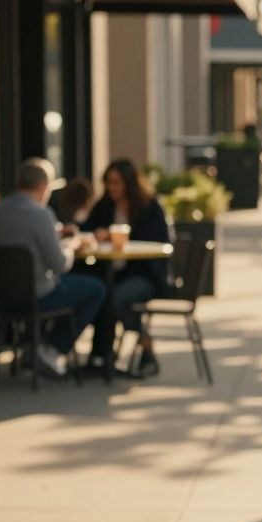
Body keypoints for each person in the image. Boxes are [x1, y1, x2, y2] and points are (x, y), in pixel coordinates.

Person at [0, 158, 105, 376]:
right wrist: (71, 244)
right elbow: (60, 264)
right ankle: (52, 349)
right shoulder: (41, 214)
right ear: (42, 186)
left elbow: (18, 238)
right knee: (96, 288)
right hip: (37, 296)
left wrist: (55, 235)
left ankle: (34, 347)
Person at [82, 158, 173, 376]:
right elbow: (86, 229)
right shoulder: (105, 205)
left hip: (145, 275)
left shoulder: (148, 207)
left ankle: (140, 347)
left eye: (116, 183)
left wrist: (125, 236)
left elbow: (158, 243)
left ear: (129, 183)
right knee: (100, 293)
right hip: (112, 273)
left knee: (114, 299)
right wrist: (96, 234)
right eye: (109, 183)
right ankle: (102, 356)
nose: (112, 188)